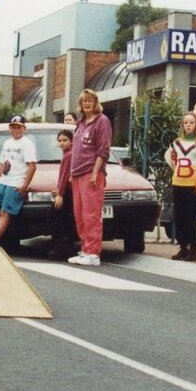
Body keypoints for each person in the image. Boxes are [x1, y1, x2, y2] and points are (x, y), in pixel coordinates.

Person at [68, 89, 112, 266]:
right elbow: (76, 150)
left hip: (91, 173)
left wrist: (95, 172)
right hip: (78, 173)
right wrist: (72, 173)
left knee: (91, 214)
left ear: (96, 103)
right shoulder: (80, 123)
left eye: (90, 101)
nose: (87, 104)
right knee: (79, 214)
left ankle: (93, 252)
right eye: (84, 101)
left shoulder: (102, 121)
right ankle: (85, 248)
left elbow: (103, 149)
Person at [0, 115, 36, 248]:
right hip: (3, 180)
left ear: (24, 128)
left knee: (4, 212)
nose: (16, 130)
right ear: (9, 128)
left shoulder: (27, 144)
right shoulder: (7, 142)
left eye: (19, 127)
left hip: (16, 182)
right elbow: (2, 164)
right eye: (13, 127)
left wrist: (25, 185)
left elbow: (32, 165)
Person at [166, 111, 196, 261]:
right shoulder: (176, 142)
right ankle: (182, 246)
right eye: (186, 122)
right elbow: (171, 158)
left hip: (192, 183)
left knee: (190, 216)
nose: (188, 125)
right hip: (178, 182)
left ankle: (193, 247)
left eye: (191, 122)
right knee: (179, 216)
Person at [49, 127, 79, 258]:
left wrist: (59, 194)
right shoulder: (67, 153)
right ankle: (64, 247)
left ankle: (60, 248)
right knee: (65, 220)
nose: (62, 143)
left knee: (55, 218)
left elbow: (65, 176)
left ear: (71, 141)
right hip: (66, 191)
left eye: (65, 140)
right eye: (59, 140)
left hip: (67, 192)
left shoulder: (68, 155)